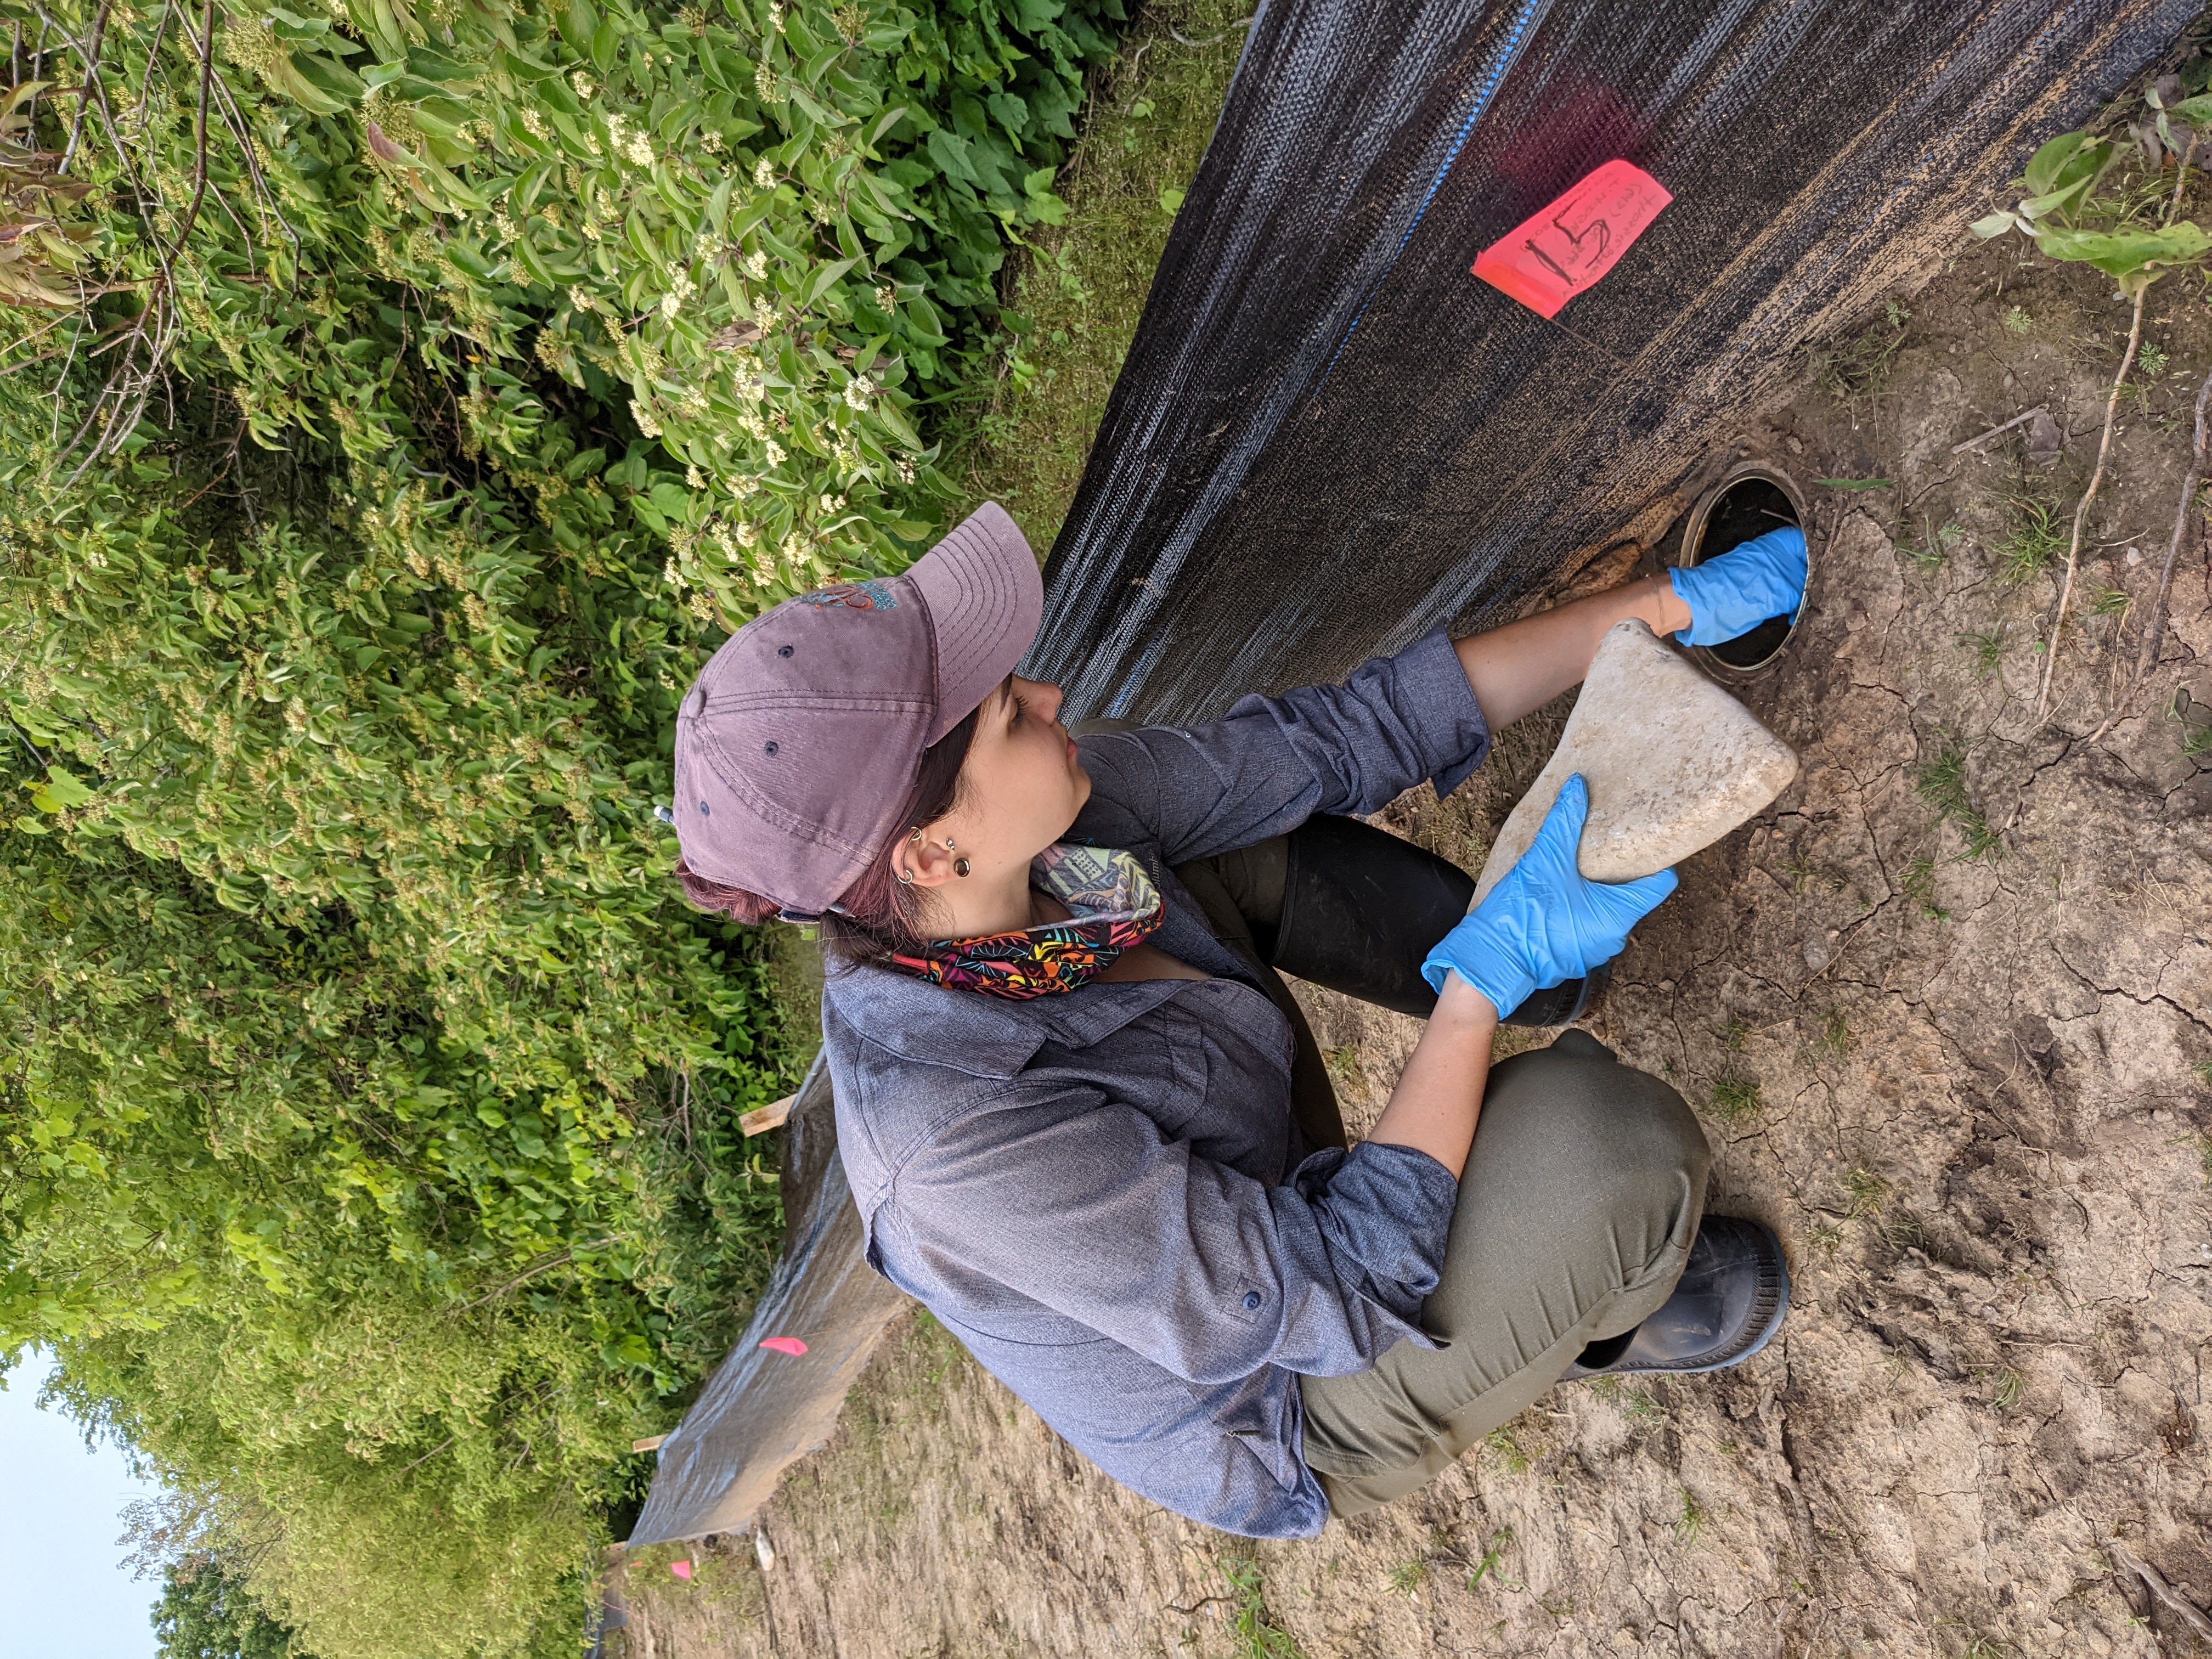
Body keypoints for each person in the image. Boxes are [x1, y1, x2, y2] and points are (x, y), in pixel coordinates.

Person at [669, 503, 1808, 1538]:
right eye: (1009, 711)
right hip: (1287, 1386)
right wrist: (1479, 987)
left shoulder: (1048, 828)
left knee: (1246, 820)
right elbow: (1344, 1276)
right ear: (931, 852)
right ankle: (1603, 1311)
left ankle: (1552, 981)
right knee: (1604, 1142)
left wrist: (1662, 606)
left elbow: (1332, 740)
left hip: (1256, 1157)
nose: (1051, 699)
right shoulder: (952, 1152)